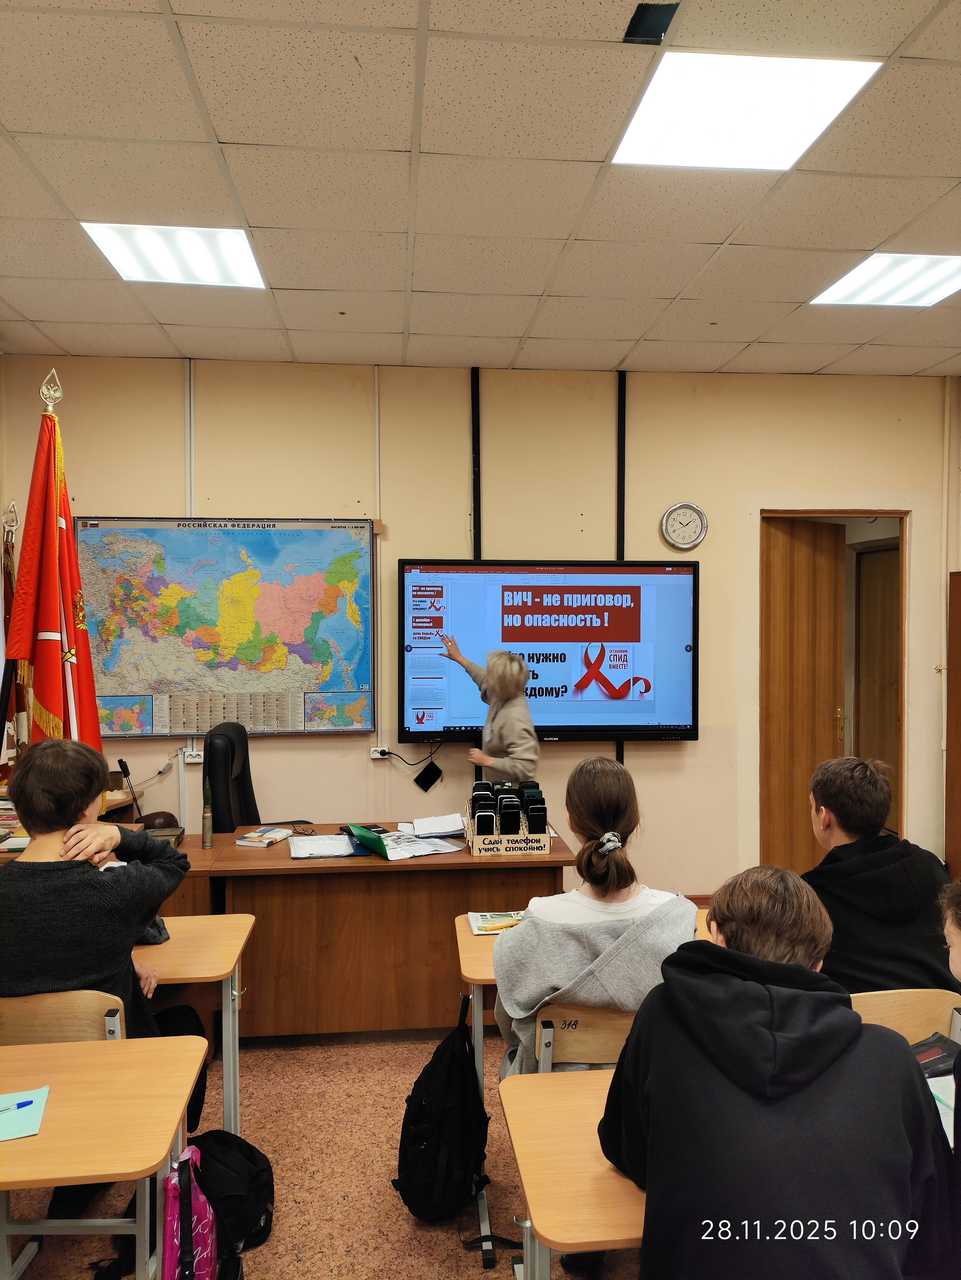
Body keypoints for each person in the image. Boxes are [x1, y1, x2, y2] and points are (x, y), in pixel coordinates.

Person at [599, 866, 959, 1280]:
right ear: (819, 963)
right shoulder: (891, 1057)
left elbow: (628, 1150)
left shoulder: (664, 1016)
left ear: (716, 936)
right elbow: (935, 1227)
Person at [0, 739, 207, 1129]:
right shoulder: (118, 889)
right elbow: (174, 862)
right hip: (111, 1065)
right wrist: (120, 836)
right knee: (185, 1022)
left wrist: (124, 956)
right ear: (87, 811)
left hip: (14, 1076)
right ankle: (172, 1141)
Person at [494, 758, 695, 1075]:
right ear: (635, 821)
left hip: (554, 1088)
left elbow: (509, 1021)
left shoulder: (541, 918)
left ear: (570, 820)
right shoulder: (678, 918)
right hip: (649, 1088)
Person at [802, 756, 958, 993]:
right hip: (943, 1011)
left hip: (855, 1015)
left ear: (824, 817)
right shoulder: (930, 867)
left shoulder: (810, 896)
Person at [440, 633, 538, 781]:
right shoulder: (502, 695)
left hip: (512, 792)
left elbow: (526, 767)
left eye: (491, 674)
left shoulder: (514, 717)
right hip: (498, 788)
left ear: (500, 683)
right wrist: (460, 658)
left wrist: (486, 760)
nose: (487, 677)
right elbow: (482, 679)